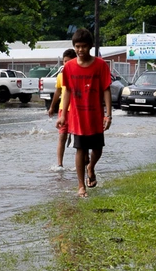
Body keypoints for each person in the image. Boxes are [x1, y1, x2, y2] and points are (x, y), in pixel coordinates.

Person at [55, 29, 112, 196]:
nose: (81, 50)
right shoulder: (69, 67)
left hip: (95, 115)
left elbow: (106, 90)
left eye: (84, 46)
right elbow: (67, 92)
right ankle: (81, 186)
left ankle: (91, 167)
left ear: (91, 46)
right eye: (77, 47)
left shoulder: (101, 65)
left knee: (97, 148)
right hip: (77, 116)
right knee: (80, 149)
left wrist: (108, 114)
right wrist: (63, 115)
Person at [47, 48, 77, 171]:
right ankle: (60, 164)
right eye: (64, 61)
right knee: (62, 136)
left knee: (79, 138)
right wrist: (52, 107)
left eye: (69, 61)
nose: (66, 64)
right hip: (62, 110)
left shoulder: (78, 75)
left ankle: (82, 162)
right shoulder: (61, 76)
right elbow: (58, 91)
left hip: (76, 110)